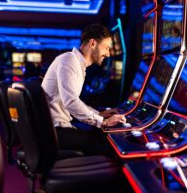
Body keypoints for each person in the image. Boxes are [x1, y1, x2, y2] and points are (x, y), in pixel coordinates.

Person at [41, 23, 126, 156]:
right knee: (109, 148)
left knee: (101, 136)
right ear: (93, 43)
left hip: (57, 127)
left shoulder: (76, 63)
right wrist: (103, 122)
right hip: (54, 130)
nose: (108, 54)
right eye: (106, 48)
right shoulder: (69, 60)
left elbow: (73, 100)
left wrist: (99, 114)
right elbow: (71, 102)